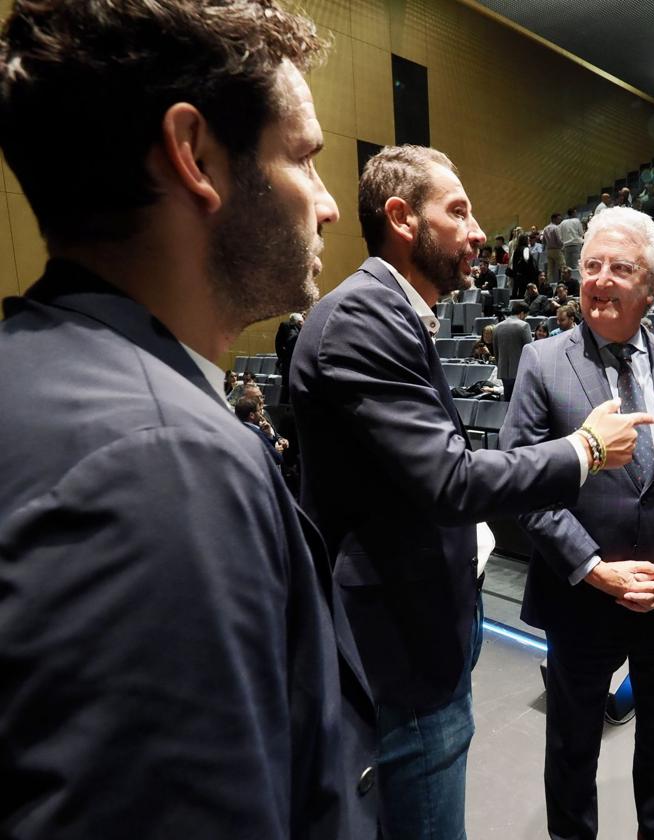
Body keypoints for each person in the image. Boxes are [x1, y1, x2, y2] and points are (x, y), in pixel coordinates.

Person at [0, 0, 377, 836]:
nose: (326, 206)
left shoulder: (33, 373)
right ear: (195, 155)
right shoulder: (163, 466)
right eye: (305, 161)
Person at [289, 144, 654, 840]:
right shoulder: (364, 318)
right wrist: (585, 449)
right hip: (401, 646)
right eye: (457, 211)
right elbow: (451, 479)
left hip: (422, 623)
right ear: (401, 218)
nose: (479, 230)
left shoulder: (391, 313)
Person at [500, 207, 654, 840]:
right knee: (572, 750)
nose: (600, 279)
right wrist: (596, 569)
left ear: (652, 289)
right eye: (591, 266)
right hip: (580, 596)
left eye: (620, 268)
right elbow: (527, 484)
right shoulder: (543, 362)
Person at [274, 311, 303, 403]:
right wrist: (283, 357)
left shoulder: (302, 327)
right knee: (286, 386)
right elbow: (278, 343)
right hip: (289, 361)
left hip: (295, 361)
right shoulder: (286, 326)